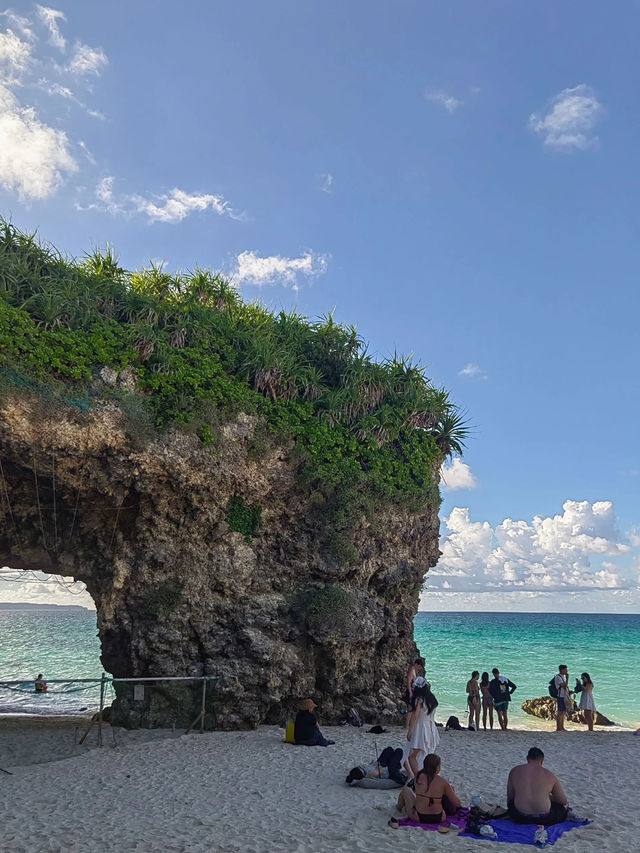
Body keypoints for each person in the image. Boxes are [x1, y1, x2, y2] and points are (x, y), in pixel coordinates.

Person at [507, 747, 569, 826]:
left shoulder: (514, 771)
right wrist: (548, 797)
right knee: (564, 806)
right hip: (544, 819)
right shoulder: (549, 775)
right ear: (542, 761)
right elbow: (563, 801)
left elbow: (510, 797)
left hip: (520, 817)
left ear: (527, 758)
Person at [397, 753, 461, 824]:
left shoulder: (418, 777)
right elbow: (458, 803)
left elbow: (417, 790)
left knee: (406, 790)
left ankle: (398, 808)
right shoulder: (443, 782)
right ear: (438, 768)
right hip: (440, 817)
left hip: (419, 817)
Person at [405, 677, 439, 777]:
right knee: (426, 754)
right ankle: (425, 776)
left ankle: (418, 778)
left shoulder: (419, 700)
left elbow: (415, 716)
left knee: (413, 756)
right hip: (431, 727)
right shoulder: (432, 699)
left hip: (421, 728)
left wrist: (410, 730)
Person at [554, 664, 570, 732]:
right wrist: (567, 679)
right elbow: (564, 686)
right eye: (565, 669)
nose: (566, 671)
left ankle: (562, 727)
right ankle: (558, 727)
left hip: (564, 696)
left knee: (563, 712)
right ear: (561, 670)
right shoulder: (558, 677)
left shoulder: (562, 677)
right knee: (560, 712)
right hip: (560, 696)